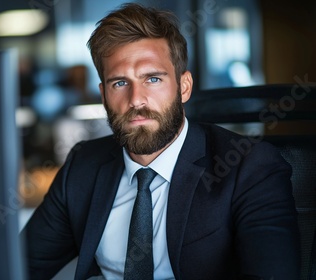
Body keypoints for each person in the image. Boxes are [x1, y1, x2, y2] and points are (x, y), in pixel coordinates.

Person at [22, 3, 300, 279]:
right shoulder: (83, 165)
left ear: (184, 87)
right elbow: (18, 266)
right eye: (119, 83)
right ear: (103, 95)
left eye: (152, 79)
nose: (136, 100)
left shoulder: (249, 166)